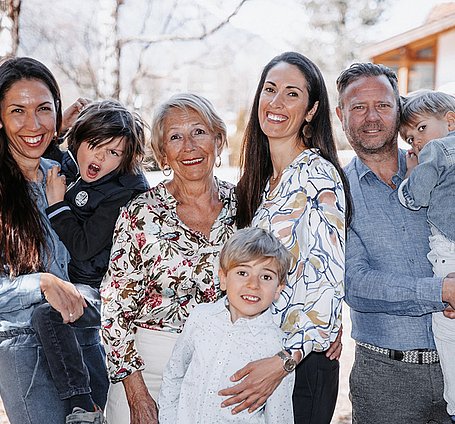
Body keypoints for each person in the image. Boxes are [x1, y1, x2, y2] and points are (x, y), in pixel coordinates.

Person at [100, 93, 237, 424]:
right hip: (149, 368)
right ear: (163, 154)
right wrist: (136, 393)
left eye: (199, 132)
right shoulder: (141, 212)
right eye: (175, 137)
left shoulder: (243, 204)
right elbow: (114, 306)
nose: (189, 146)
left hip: (222, 365)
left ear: (218, 140)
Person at [229, 51, 350, 424]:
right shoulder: (262, 184)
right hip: (261, 353)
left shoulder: (318, 177)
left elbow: (326, 284)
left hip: (298, 366)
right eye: (270, 89)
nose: (276, 102)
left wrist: (284, 362)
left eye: (292, 94)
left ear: (312, 111)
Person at [336, 62, 455, 423]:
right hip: (386, 379)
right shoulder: (334, 190)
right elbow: (355, 284)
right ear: (340, 115)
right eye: (358, 107)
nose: (371, 117)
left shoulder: (442, 168)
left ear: (398, 109)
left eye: (383, 106)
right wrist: (443, 291)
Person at [0, 56, 108, 424]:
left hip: (85, 340)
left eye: (44, 109)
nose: (33, 124)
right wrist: (41, 284)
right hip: (25, 349)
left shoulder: (66, 177)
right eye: (18, 110)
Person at [31, 100, 149, 423]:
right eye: (94, 145)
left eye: (113, 153)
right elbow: (58, 163)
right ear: (79, 140)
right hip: (80, 283)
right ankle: (89, 402)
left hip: (107, 292)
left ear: (125, 160)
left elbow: (83, 247)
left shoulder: (122, 193)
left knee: (51, 313)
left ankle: (82, 407)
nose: (100, 157)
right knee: (50, 314)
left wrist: (57, 205)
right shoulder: (87, 173)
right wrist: (59, 131)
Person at [158, 227, 295, 423]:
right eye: (242, 272)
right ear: (223, 278)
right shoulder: (201, 318)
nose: (253, 284)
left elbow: (279, 416)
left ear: (278, 288)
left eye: (266, 277)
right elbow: (174, 373)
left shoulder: (276, 347)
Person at [397, 90, 455, 422]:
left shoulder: (438, 149)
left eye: (420, 128)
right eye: (409, 137)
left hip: (448, 253)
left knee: (447, 336)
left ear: (450, 121)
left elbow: (415, 198)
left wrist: (408, 178)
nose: (415, 141)